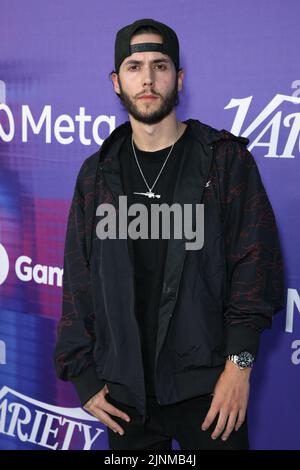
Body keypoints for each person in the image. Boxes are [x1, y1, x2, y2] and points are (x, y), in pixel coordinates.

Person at [53, 18, 284, 450]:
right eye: (134, 66)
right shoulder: (97, 174)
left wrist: (240, 366)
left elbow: (256, 265)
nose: (147, 78)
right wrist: (83, 377)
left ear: (178, 79)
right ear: (116, 83)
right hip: (125, 398)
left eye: (159, 66)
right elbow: (78, 278)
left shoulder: (224, 161)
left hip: (211, 393)